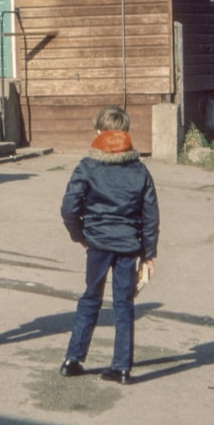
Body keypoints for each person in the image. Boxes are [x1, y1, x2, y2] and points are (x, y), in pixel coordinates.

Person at [59, 105, 159, 385]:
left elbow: (69, 208)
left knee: (91, 297)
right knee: (124, 304)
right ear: (125, 133)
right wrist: (149, 253)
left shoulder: (88, 166)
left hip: (98, 243)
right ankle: (122, 367)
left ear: (100, 132)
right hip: (128, 244)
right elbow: (150, 214)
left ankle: (73, 359)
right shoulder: (139, 169)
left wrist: (80, 235)